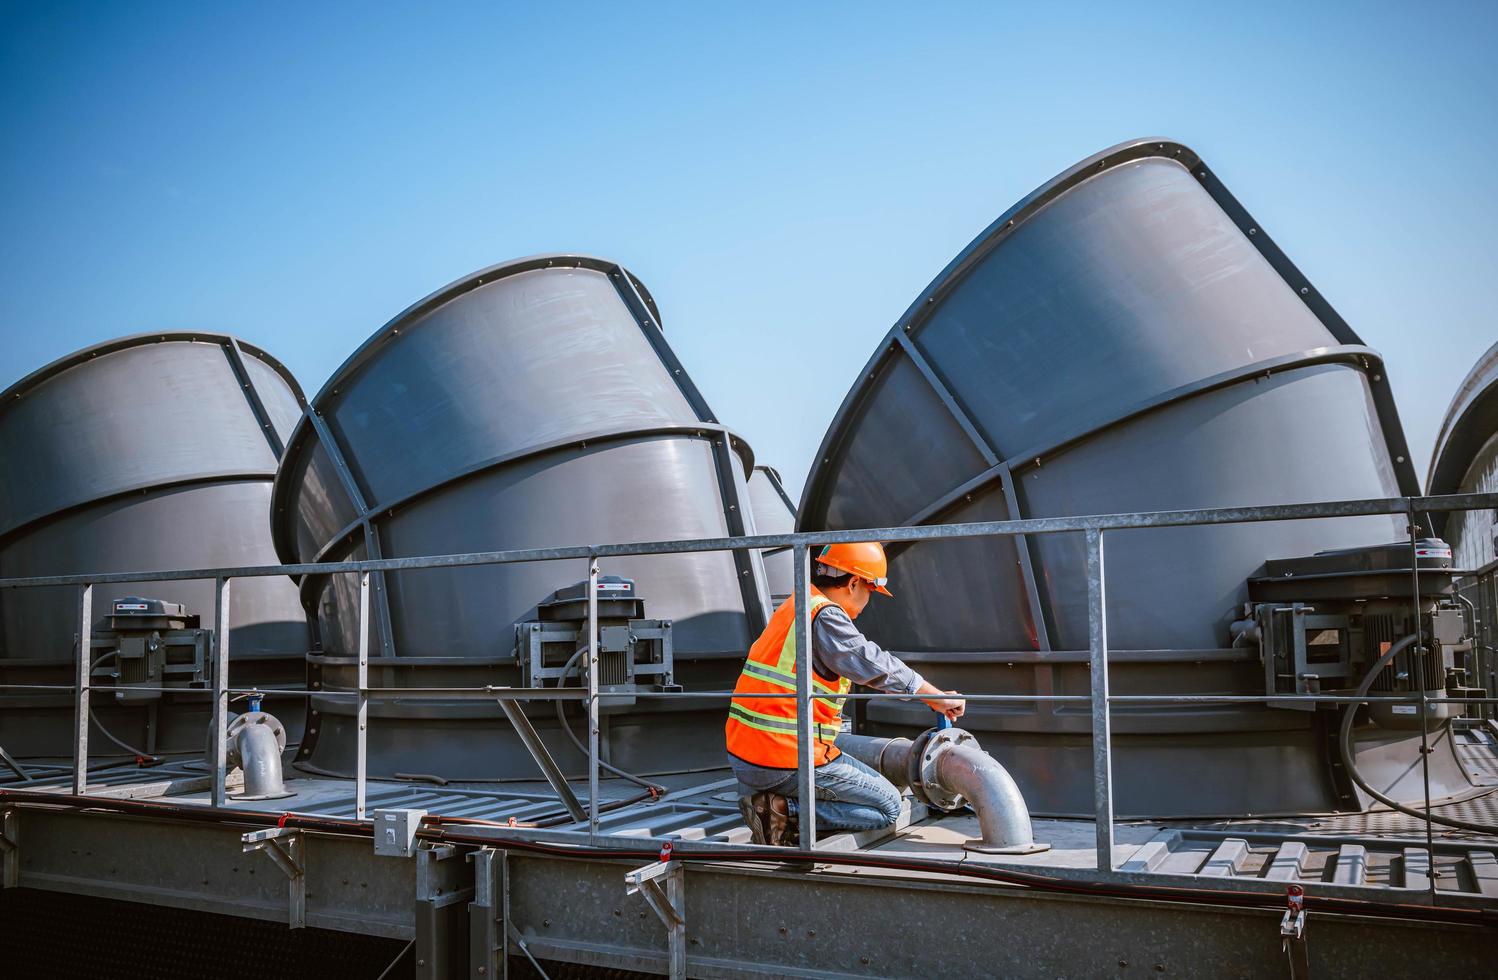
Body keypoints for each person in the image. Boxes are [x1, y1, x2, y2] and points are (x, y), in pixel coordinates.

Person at [724, 542, 965, 845]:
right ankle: (780, 810)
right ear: (853, 583)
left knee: (871, 791)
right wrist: (933, 694)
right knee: (889, 806)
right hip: (783, 758)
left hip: (748, 754)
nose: (867, 602)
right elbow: (870, 661)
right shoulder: (825, 615)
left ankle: (777, 803)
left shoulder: (799, 604)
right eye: (870, 591)